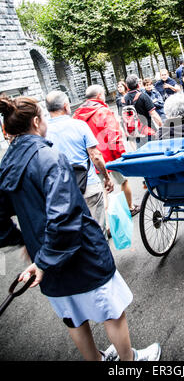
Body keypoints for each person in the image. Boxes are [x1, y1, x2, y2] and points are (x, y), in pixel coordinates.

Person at [0, 95, 161, 362]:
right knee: (111, 310)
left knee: (73, 317)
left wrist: (25, 243)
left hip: (46, 257)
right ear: (37, 121)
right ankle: (129, 362)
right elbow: (64, 215)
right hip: (80, 252)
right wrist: (42, 259)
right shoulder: (48, 156)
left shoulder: (6, 165)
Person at [46, 90, 114, 240]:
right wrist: (107, 178)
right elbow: (95, 156)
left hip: (61, 191)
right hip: (87, 186)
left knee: (75, 235)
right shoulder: (78, 125)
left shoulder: (44, 132)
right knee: (97, 230)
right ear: (65, 106)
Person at [73, 85, 140, 217]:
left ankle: (106, 221)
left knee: (102, 190)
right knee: (123, 181)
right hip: (109, 156)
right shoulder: (103, 111)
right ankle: (130, 207)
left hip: (90, 160)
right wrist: (121, 157)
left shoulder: (77, 114)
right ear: (99, 96)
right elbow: (113, 137)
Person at [123, 74, 163, 148]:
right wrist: (161, 126)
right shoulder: (143, 96)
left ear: (127, 86)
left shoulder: (123, 99)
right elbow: (153, 114)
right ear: (138, 85)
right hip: (148, 129)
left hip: (136, 132)